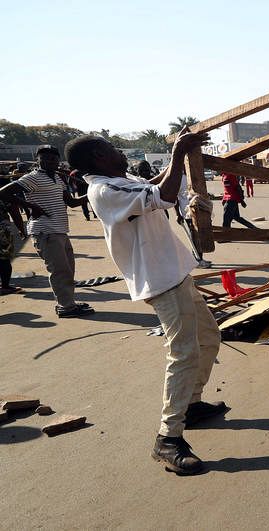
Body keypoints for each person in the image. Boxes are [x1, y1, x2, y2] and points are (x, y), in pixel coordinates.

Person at [65, 129, 227, 475]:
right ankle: (168, 439)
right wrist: (180, 152)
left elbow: (153, 184)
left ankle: (191, 404)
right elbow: (164, 192)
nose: (119, 152)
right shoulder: (105, 189)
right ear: (97, 157)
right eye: (111, 148)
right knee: (184, 353)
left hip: (174, 271)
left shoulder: (121, 180)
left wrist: (179, 161)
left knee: (210, 338)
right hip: (161, 279)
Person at [0, 146, 94, 318]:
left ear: (58, 160)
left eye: (53, 158)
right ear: (38, 160)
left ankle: (67, 302)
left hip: (60, 230)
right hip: (45, 231)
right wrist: (31, 207)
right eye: (45, 158)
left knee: (68, 269)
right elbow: (3, 192)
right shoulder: (32, 178)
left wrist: (93, 192)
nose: (50, 161)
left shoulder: (58, 179)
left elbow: (71, 203)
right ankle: (66, 307)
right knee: (59, 271)